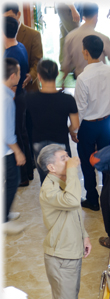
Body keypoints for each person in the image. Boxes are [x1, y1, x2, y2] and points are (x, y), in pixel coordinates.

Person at [37, 144, 92, 299]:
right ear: (51, 167)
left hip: (71, 249)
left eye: (68, 156)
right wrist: (73, 169)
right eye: (63, 158)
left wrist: (85, 236)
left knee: (69, 298)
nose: (69, 160)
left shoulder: (60, 181)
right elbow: (71, 201)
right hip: (60, 256)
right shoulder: (48, 189)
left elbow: (74, 212)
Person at [73, 35, 110, 212]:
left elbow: (80, 108)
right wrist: (108, 117)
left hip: (88, 125)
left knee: (86, 161)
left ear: (85, 52)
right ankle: (109, 198)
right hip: (105, 123)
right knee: (105, 161)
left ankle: (92, 199)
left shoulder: (83, 78)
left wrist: (74, 128)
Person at [26, 59, 79, 184]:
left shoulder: (29, 98)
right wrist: (70, 131)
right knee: (63, 177)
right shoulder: (67, 99)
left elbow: (26, 124)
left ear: (38, 76)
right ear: (57, 75)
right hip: (60, 142)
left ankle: (48, 201)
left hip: (38, 142)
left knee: (46, 179)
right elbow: (75, 125)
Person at [61, 2, 110, 82]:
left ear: (83, 17)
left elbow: (66, 64)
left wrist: (63, 80)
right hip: (99, 82)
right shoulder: (102, 38)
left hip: (80, 81)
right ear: (96, 16)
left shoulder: (70, 37)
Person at [3, 16, 34, 187]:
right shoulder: (20, 46)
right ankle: (28, 171)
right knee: (22, 134)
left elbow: (11, 80)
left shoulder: (10, 53)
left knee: (17, 135)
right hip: (21, 96)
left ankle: (22, 176)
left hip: (15, 98)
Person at [3, 58, 26, 235]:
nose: (21, 75)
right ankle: (4, 221)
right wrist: (18, 151)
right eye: (19, 73)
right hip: (5, 150)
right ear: (13, 76)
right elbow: (8, 132)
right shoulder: (6, 100)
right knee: (13, 180)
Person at [3, 2, 43, 92]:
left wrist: (30, 76)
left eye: (10, 18)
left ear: (19, 14)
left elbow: (38, 61)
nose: (7, 22)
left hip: (28, 89)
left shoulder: (33, 35)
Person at [55, 2, 82, 67]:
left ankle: (64, 64)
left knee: (64, 36)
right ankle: (76, 66)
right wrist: (73, 9)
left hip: (63, 6)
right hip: (67, 7)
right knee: (78, 36)